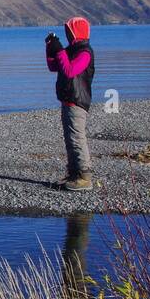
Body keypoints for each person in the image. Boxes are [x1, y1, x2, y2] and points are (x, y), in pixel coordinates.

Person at [44, 16, 95, 191]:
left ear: (76, 32)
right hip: (68, 100)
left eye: (70, 31)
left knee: (77, 138)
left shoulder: (85, 53)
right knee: (70, 139)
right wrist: (51, 49)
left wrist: (59, 51)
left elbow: (70, 71)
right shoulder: (72, 50)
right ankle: (74, 174)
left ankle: (84, 176)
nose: (68, 35)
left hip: (77, 101)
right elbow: (54, 67)